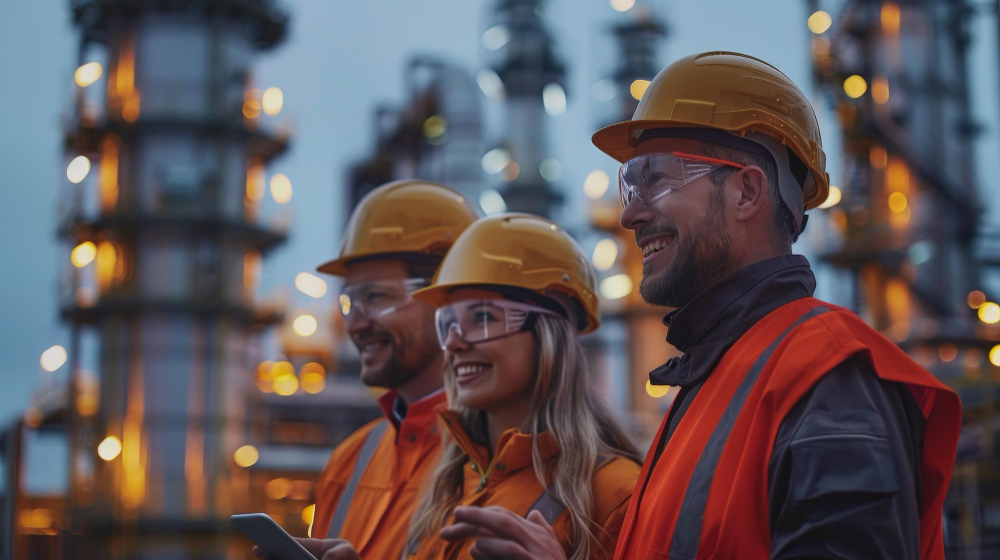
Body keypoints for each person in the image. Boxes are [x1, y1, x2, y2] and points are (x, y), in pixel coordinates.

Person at [449, 52, 962, 560]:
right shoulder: (710, 384)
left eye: (656, 178)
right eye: (630, 182)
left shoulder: (829, 377)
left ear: (746, 191)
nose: (630, 213)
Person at [254, 180, 478, 560]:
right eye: (349, 302)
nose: (355, 324)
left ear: (450, 300)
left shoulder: (504, 461)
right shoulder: (351, 460)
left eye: (376, 297)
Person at [400, 213, 642, 560]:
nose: (453, 344)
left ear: (548, 336)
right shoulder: (448, 482)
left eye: (482, 318)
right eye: (448, 323)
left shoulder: (614, 495)